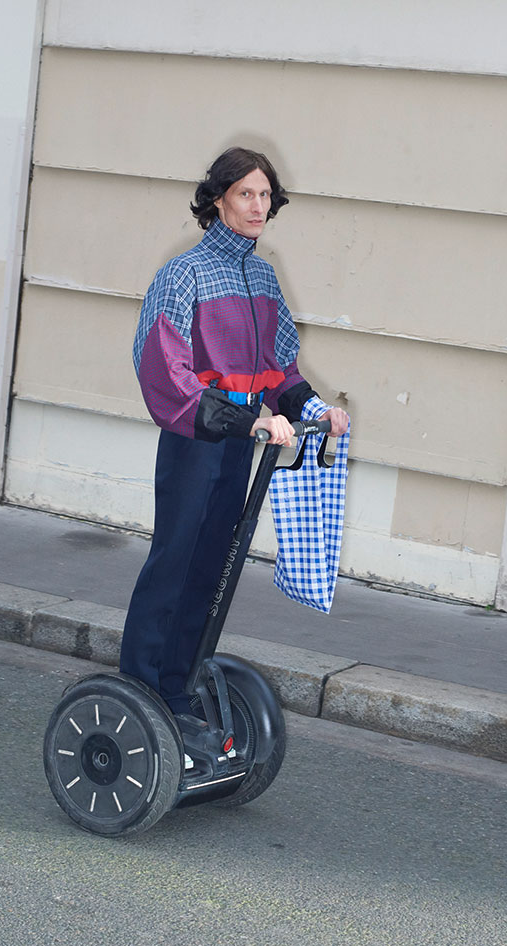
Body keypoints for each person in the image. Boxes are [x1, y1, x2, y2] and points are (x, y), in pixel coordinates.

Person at [119, 147, 349, 719]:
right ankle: (141, 690)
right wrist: (248, 420)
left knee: (213, 568)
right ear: (218, 199)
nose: (257, 206)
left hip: (241, 444)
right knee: (174, 564)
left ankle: (178, 688)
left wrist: (318, 409)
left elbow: (279, 369)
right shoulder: (185, 274)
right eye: (246, 193)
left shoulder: (263, 278)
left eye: (265, 195)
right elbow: (163, 371)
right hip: (195, 441)